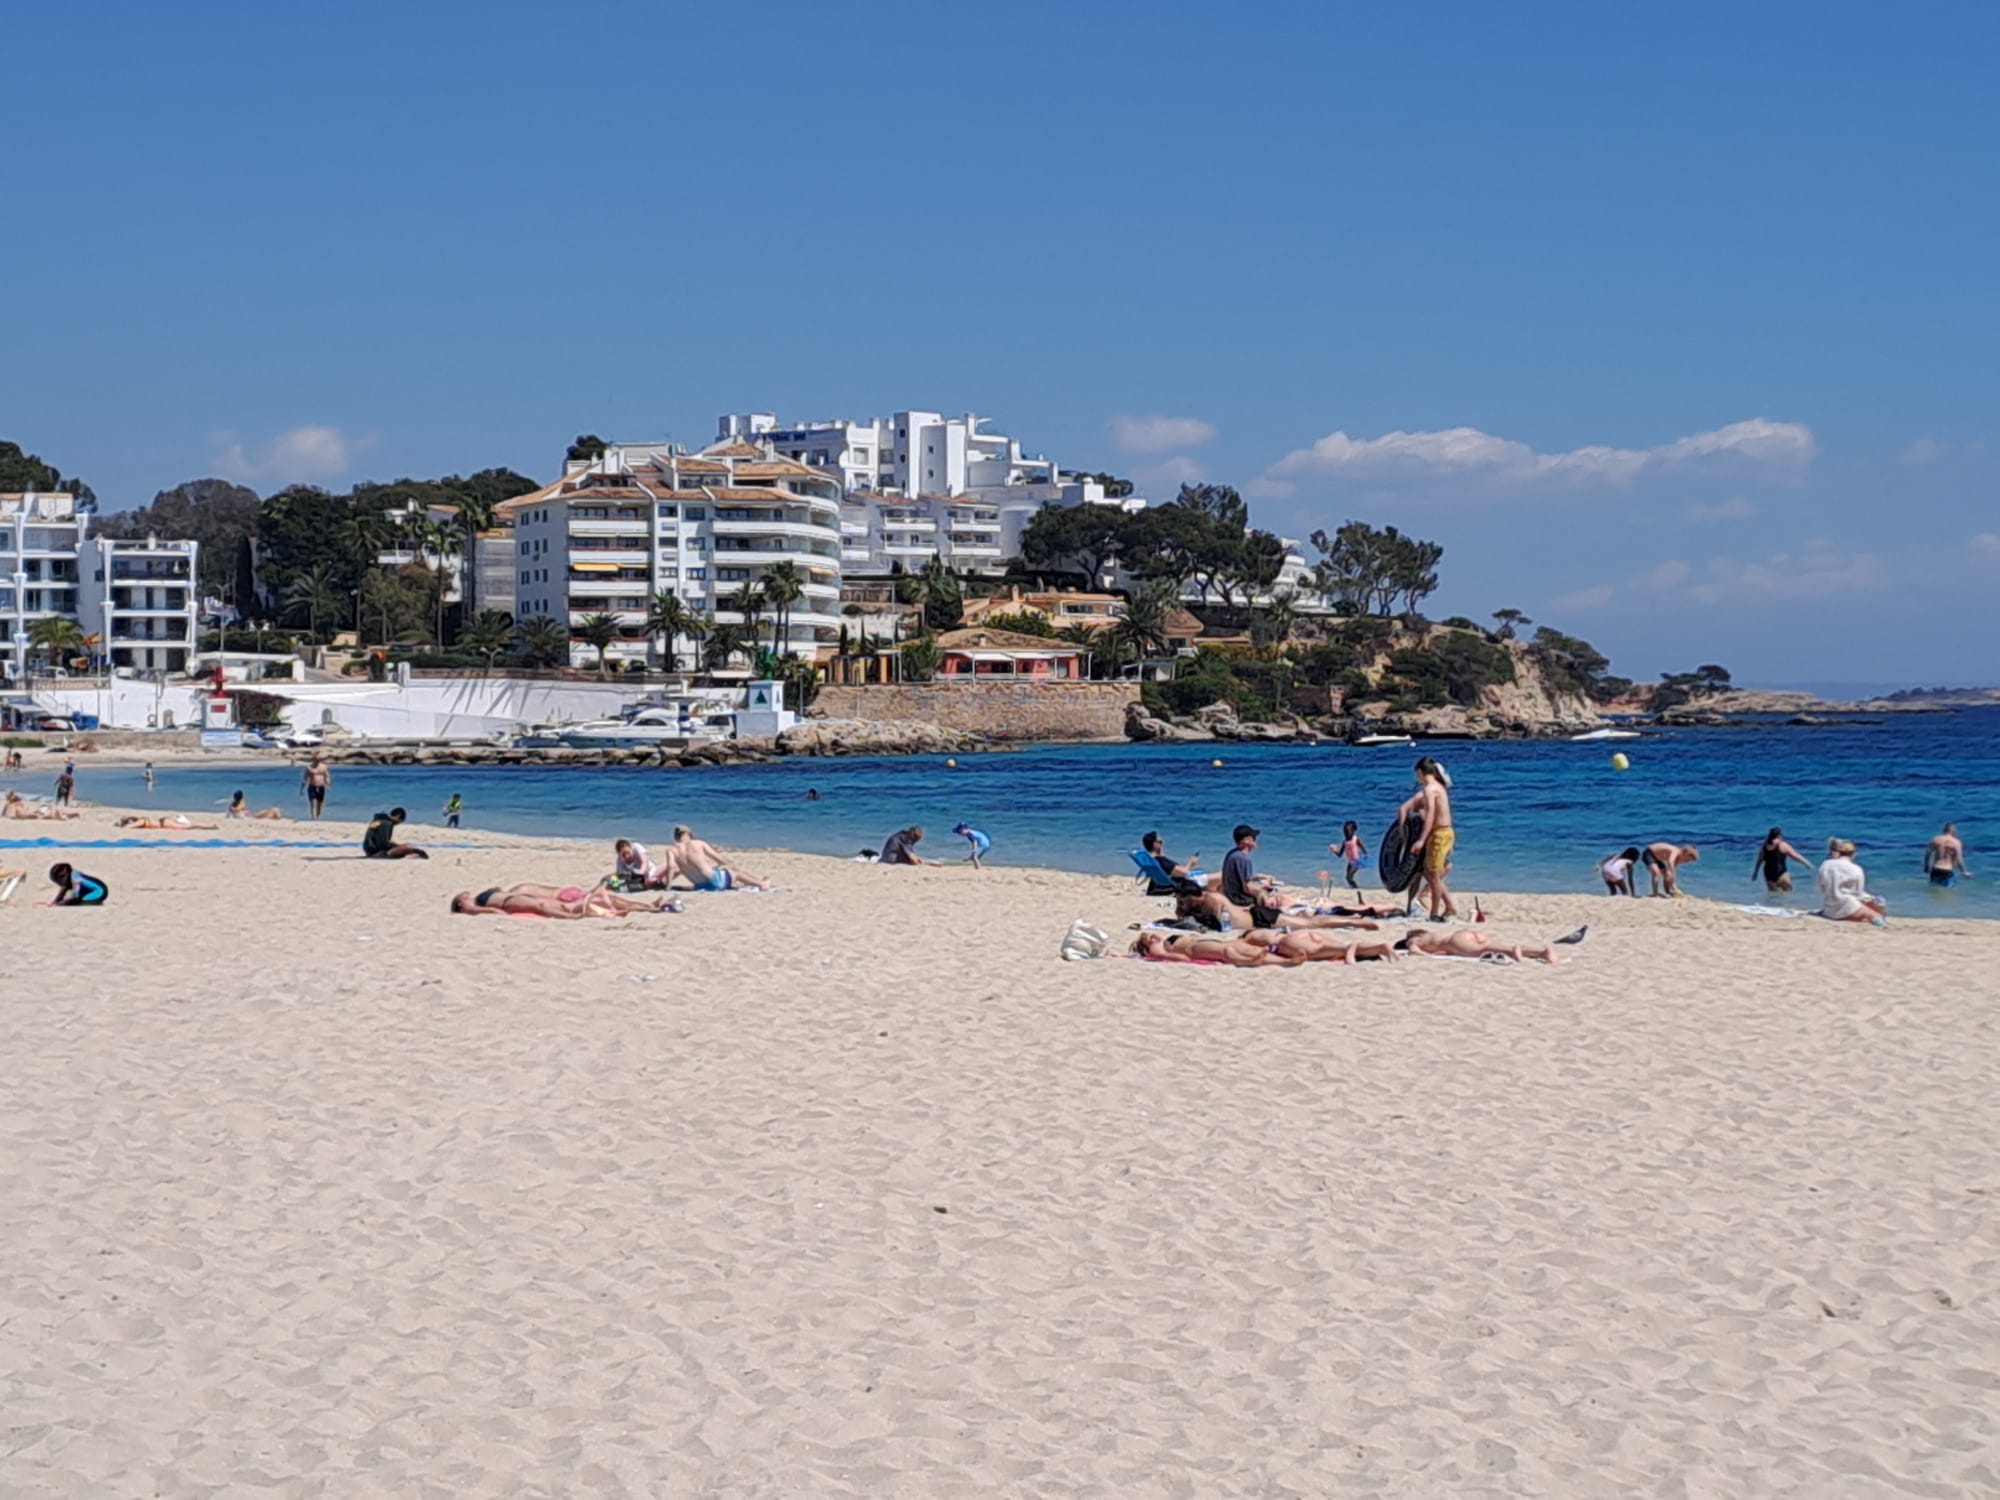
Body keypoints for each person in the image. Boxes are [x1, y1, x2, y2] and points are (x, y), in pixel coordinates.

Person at [1399, 758, 1457, 921]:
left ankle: (1435, 912)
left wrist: (1421, 840)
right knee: (1431, 872)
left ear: (1420, 772)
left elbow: (1430, 815)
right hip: (1445, 832)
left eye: (1416, 774)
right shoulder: (1440, 787)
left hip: (1439, 834)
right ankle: (1449, 906)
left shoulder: (1430, 789)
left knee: (1433, 874)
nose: (1416, 778)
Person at [449, 882, 679, 919]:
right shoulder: (472, 904)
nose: (465, 894)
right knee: (560, 907)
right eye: (461, 897)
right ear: (460, 903)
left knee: (610, 899)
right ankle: (649, 908)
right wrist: (495, 913)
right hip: (511, 901)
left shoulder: (481, 898)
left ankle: (648, 907)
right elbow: (475, 910)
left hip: (518, 897)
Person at [1397, 925, 1586, 965]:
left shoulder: (1414, 940)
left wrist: (1426, 956)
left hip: (1455, 940)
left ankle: (1517, 950)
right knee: (1495, 947)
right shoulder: (1432, 934)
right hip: (1466, 933)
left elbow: (1413, 950)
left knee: (1482, 951)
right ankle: (1541, 952)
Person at [669, 824, 772, 891]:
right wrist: (721, 866)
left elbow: (671, 868)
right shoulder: (699, 843)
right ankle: (761, 884)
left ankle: (742, 883)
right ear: (689, 834)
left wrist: (668, 886)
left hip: (699, 886)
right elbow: (721, 860)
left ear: (676, 837)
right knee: (734, 872)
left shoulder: (672, 850)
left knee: (723, 875)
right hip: (714, 883)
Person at [1130, 930, 1300, 967]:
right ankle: (1245, 962)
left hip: (1201, 942)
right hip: (1193, 948)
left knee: (1243, 947)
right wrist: (1182, 958)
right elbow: (1169, 957)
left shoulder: (1162, 940)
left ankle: (1284, 961)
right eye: (1148, 938)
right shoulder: (1155, 949)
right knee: (1225, 952)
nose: (1152, 936)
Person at [1818, 838, 1886, 924]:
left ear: (1839, 852)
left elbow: (1820, 888)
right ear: (1853, 854)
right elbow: (1858, 893)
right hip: (1848, 907)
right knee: (1878, 911)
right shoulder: (1856, 869)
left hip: (1829, 909)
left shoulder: (1825, 865)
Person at [1242, 928, 1401, 963]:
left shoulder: (1249, 937)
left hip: (1286, 942)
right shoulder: (1266, 931)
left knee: (1318, 951)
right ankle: (1381, 947)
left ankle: (1350, 949)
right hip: (1301, 933)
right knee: (1335, 948)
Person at [1751, 827, 1812, 893]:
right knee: (1788, 893)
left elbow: (1759, 860)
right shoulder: (1782, 845)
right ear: (1779, 835)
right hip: (1782, 874)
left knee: (1774, 895)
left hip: (1769, 875)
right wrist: (1806, 863)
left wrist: (1755, 873)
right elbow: (1795, 856)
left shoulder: (1765, 846)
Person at [363, 807, 428, 860]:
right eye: (400, 821)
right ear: (398, 816)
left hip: (369, 850)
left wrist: (397, 845)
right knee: (406, 847)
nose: (398, 824)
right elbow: (384, 844)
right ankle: (416, 852)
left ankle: (413, 852)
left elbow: (381, 840)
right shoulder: (386, 823)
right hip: (375, 852)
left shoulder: (380, 819)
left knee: (402, 847)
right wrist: (399, 846)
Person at [1924, 823, 1972, 887]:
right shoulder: (1956, 842)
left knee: (1934, 890)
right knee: (1948, 892)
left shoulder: (1936, 839)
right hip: (1947, 871)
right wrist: (1964, 871)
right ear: (1953, 831)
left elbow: (1927, 853)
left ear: (1944, 830)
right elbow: (1959, 859)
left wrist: (1926, 866)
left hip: (1936, 869)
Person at [1331, 821, 1368, 896]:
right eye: (1345, 832)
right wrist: (1334, 850)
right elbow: (1340, 855)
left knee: (1349, 877)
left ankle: (1358, 892)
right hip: (1350, 863)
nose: (1346, 833)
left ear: (1354, 831)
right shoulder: (1344, 842)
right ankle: (1356, 892)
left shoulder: (1356, 839)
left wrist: (1365, 857)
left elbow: (1364, 849)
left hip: (1357, 861)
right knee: (1348, 878)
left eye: (1347, 831)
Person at [5, 789, 77, 821]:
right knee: (51, 812)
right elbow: (12, 816)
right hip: (36, 814)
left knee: (51, 811)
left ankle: (67, 815)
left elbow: (12, 815)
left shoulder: (16, 805)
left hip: (35, 813)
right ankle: (66, 816)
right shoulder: (12, 806)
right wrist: (21, 817)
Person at [301, 754, 331, 820]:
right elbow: (305, 779)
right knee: (313, 802)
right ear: (313, 759)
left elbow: (327, 776)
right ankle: (313, 817)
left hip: (321, 786)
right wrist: (302, 789)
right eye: (316, 759)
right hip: (312, 786)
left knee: (320, 803)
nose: (318, 760)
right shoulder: (309, 768)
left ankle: (318, 817)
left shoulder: (324, 767)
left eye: (319, 759)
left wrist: (328, 784)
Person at [115, 814, 219, 830]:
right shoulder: (142, 820)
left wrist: (123, 826)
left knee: (188, 827)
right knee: (188, 826)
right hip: (163, 822)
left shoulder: (141, 821)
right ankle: (209, 826)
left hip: (163, 823)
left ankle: (210, 826)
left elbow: (130, 827)